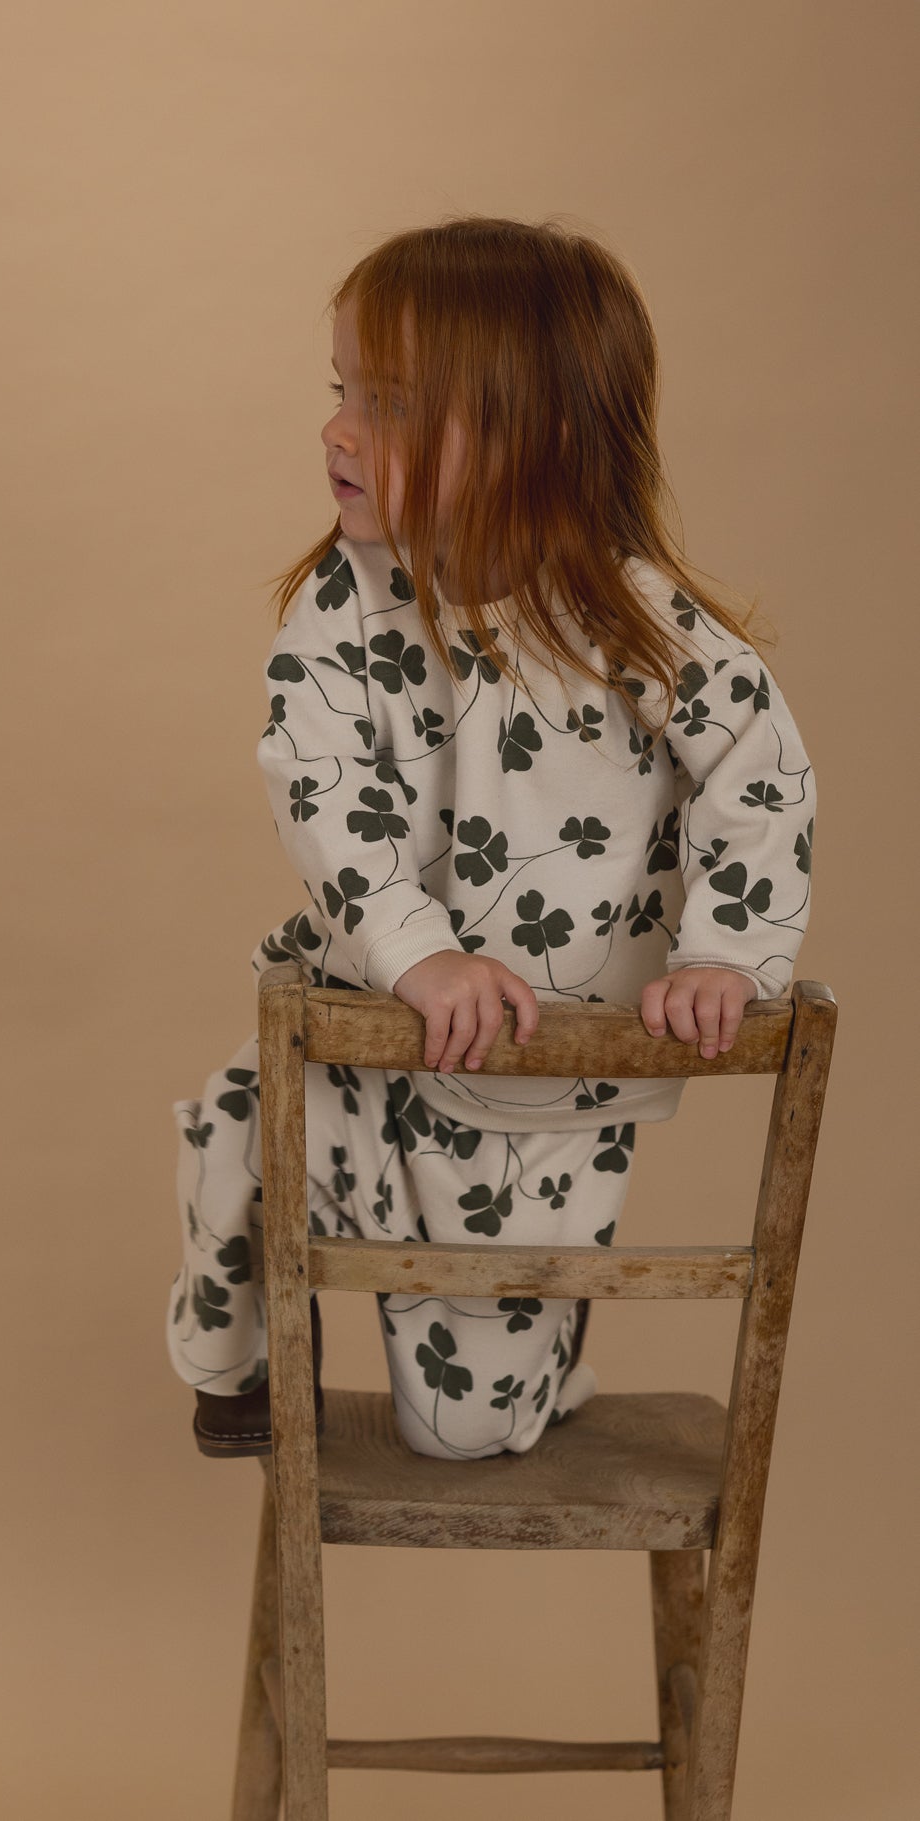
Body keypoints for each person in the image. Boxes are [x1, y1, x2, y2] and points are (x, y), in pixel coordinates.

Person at [164, 214, 815, 1461]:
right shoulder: (341, 606)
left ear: (537, 438)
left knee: (460, 1432)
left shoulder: (633, 624)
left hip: (541, 1088)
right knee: (242, 1120)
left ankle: (531, 1361)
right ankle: (232, 1363)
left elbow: (762, 778)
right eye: (342, 392)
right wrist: (414, 954)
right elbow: (323, 789)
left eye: (391, 404)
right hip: (366, 1030)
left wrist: (726, 957)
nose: (338, 430)